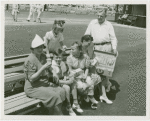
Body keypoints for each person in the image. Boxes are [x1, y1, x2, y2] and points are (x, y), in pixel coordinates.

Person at [24, 34, 70, 115]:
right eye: (37, 47)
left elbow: (49, 67)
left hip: (44, 84)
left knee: (62, 91)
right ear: (32, 49)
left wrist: (54, 72)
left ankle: (53, 113)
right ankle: (59, 115)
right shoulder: (30, 60)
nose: (40, 49)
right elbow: (31, 79)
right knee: (54, 96)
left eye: (41, 47)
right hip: (33, 87)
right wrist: (43, 68)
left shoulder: (43, 56)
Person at [84, 8, 118, 93]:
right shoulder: (92, 23)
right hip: (95, 48)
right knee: (94, 68)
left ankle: (107, 84)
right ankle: (96, 87)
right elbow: (87, 35)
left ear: (105, 16)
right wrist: (85, 46)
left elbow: (113, 38)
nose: (99, 17)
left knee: (105, 69)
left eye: (101, 16)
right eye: (98, 15)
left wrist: (114, 48)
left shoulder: (109, 25)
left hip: (106, 47)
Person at [67, 41, 100, 109]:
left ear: (79, 49)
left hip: (83, 75)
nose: (71, 50)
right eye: (71, 49)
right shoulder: (69, 58)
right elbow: (70, 70)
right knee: (81, 86)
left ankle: (90, 96)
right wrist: (77, 75)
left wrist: (85, 75)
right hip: (74, 76)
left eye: (73, 49)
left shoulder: (85, 56)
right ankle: (86, 96)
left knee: (90, 81)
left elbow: (87, 68)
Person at [81, 35, 113, 104]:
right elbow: (81, 63)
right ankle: (100, 95)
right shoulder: (80, 50)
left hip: (87, 69)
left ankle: (103, 95)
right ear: (83, 41)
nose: (89, 45)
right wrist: (90, 63)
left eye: (90, 44)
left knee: (102, 74)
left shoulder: (86, 49)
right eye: (88, 43)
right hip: (82, 72)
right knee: (100, 75)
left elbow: (87, 62)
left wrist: (93, 61)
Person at [50, 49, 84, 114]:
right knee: (67, 87)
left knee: (73, 82)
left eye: (59, 58)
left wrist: (68, 78)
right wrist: (67, 82)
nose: (58, 59)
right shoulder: (52, 66)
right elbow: (54, 81)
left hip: (62, 81)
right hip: (55, 84)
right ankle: (68, 107)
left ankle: (75, 103)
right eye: (56, 58)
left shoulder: (61, 63)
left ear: (62, 57)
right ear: (53, 57)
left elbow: (64, 74)